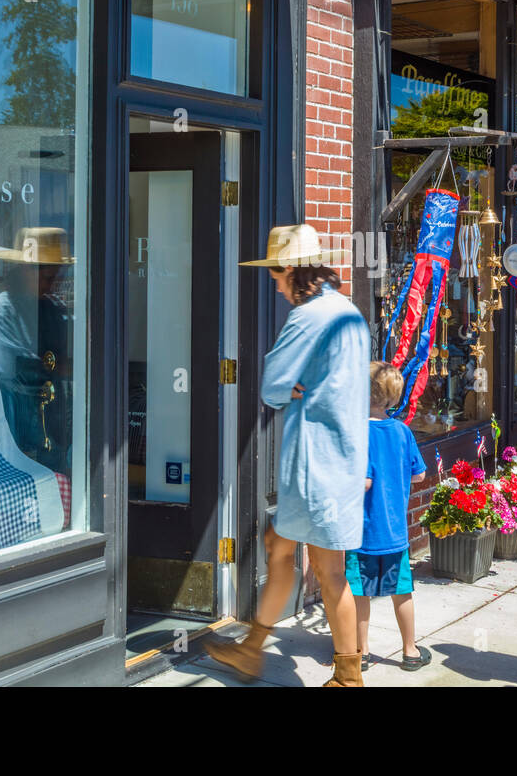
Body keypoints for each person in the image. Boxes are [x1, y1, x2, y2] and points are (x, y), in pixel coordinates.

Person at [205, 224, 370, 687]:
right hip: (341, 459)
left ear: (292, 271)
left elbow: (273, 384)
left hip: (317, 464)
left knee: (327, 570)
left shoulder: (308, 317)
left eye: (277, 276)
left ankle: (348, 677)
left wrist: (289, 385)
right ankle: (252, 649)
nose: (275, 286)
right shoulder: (348, 311)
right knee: (278, 547)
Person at [0, 228, 75, 469]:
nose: (54, 285)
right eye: (49, 278)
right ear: (26, 271)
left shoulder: (50, 308)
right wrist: (60, 368)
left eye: (58, 277)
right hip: (12, 426)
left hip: (48, 425)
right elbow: (13, 371)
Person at [349, 362, 429, 673]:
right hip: (395, 531)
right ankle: (410, 651)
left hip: (363, 532)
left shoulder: (357, 432)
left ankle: (361, 651)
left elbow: (362, 481)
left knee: (359, 593)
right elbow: (420, 473)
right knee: (401, 591)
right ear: (393, 398)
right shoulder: (402, 431)